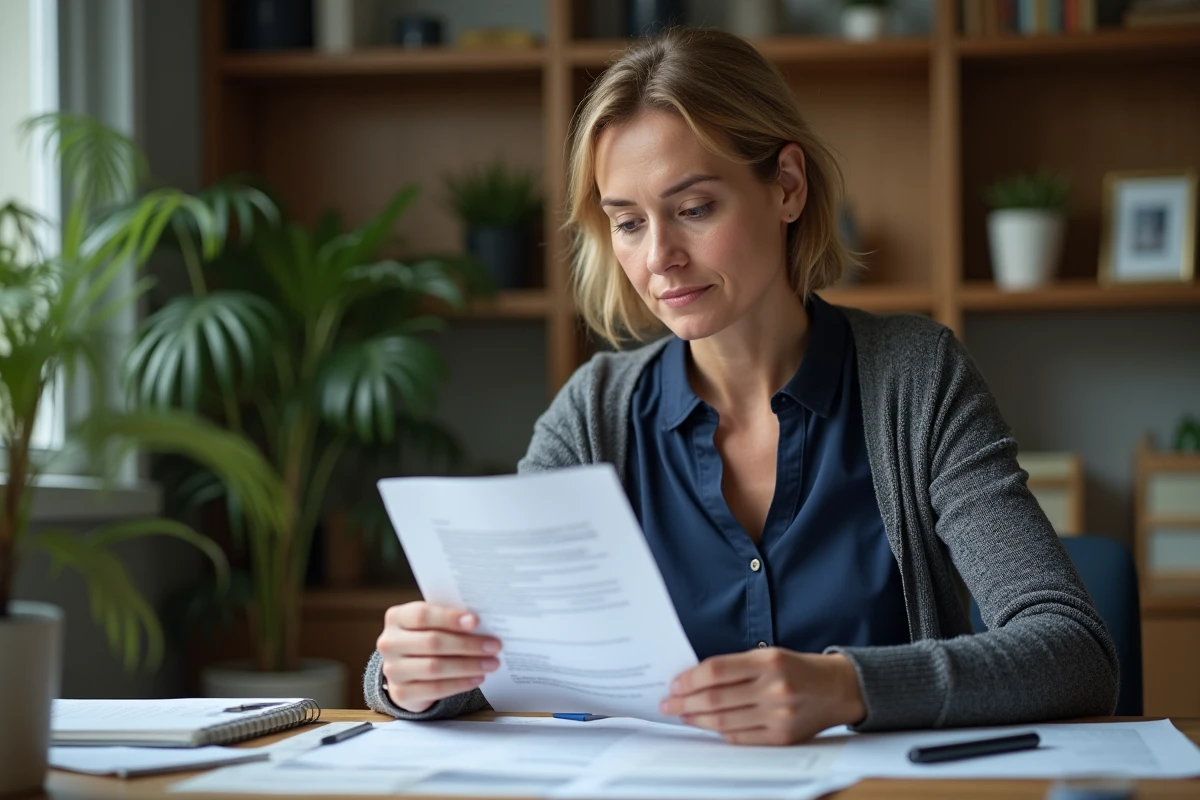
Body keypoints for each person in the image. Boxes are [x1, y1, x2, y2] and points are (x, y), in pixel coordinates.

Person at [365, 27, 1118, 745]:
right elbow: (502, 657)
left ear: (787, 187)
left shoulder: (914, 379)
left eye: (693, 209)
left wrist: (847, 687)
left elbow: (1073, 650)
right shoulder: (594, 412)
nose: (660, 257)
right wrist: (413, 675)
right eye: (627, 222)